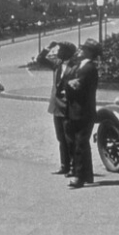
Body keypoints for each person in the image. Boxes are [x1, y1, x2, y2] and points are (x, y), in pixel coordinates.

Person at [64, 38, 101, 189]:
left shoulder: (89, 68)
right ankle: (87, 175)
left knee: (80, 145)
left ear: (89, 52)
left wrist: (68, 84)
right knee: (81, 144)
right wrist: (70, 83)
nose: (80, 50)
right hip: (78, 111)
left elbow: (77, 87)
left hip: (83, 112)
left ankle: (79, 177)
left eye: (83, 49)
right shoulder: (82, 66)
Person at [36, 42, 77, 176]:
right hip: (56, 106)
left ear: (67, 52)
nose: (58, 52)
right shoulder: (57, 64)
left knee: (70, 138)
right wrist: (48, 47)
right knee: (61, 138)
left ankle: (74, 167)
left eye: (60, 50)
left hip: (68, 106)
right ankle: (64, 165)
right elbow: (40, 59)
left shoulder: (75, 67)